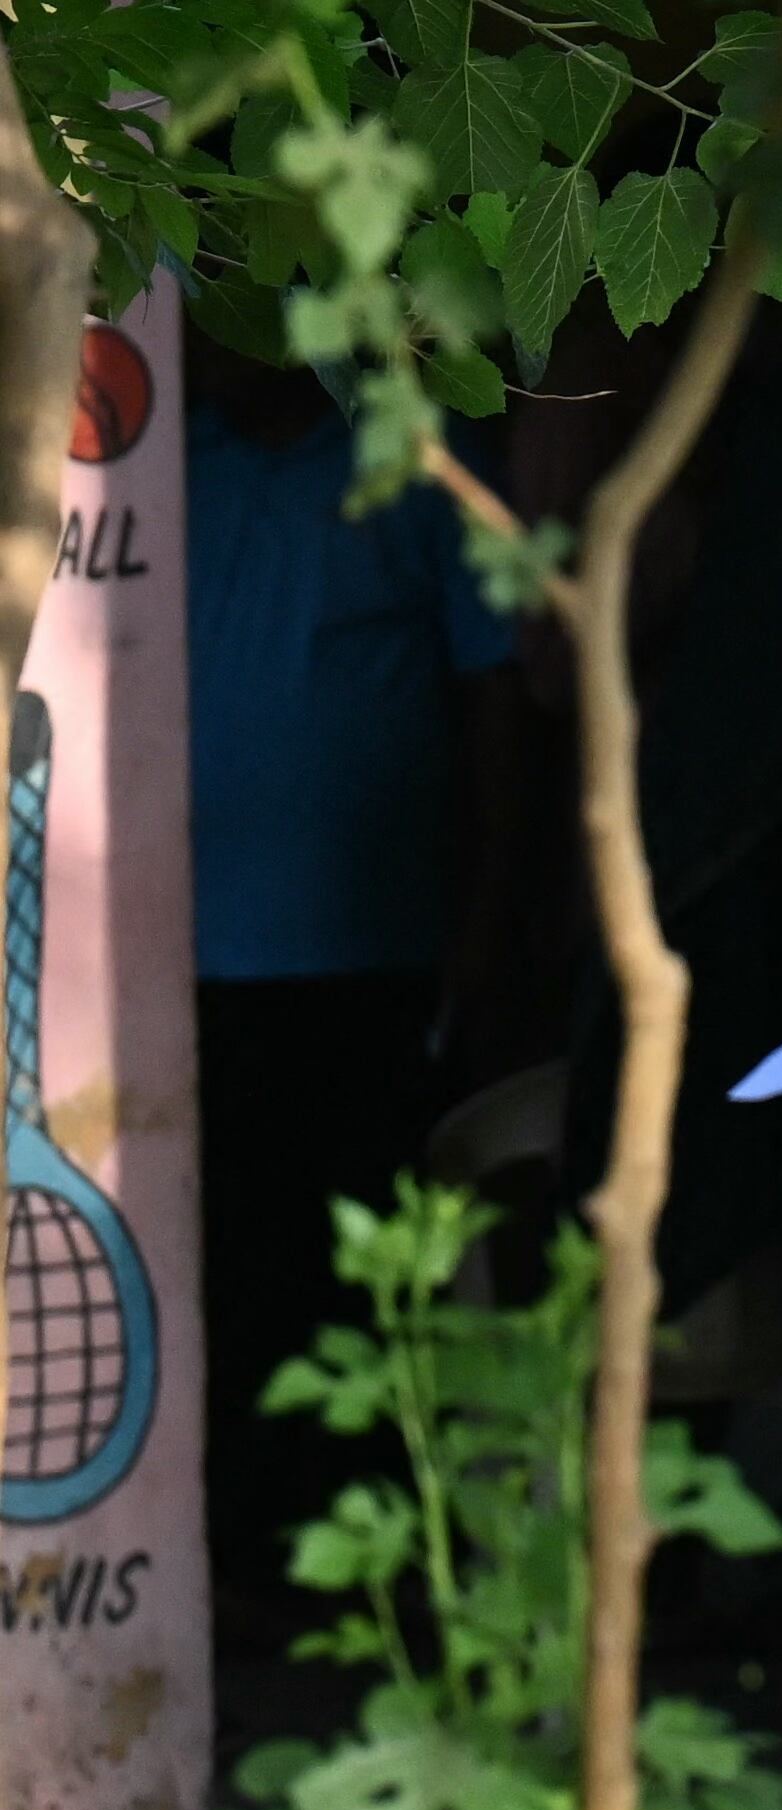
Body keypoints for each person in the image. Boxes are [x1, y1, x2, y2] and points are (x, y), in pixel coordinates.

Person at [184, 349, 530, 1616]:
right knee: (223, 1275)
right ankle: (242, 1583)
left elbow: (498, 692)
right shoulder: (158, 469)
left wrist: (485, 921)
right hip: (180, 966)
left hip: (372, 953)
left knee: (363, 1283)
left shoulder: (415, 454)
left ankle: (367, 1591)